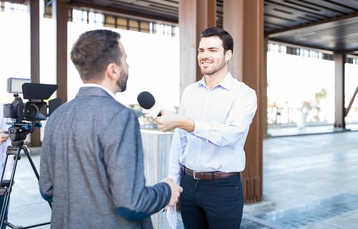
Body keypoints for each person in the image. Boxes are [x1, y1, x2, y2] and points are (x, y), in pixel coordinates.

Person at [39, 29, 182, 229]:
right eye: (125, 59)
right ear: (113, 70)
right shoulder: (120, 117)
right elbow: (132, 204)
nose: (128, 66)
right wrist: (167, 191)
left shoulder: (56, 117)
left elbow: (47, 189)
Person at [154, 27, 257, 229]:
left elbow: (230, 135)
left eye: (212, 50)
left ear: (228, 55)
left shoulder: (244, 94)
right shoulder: (190, 92)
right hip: (188, 185)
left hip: (223, 188)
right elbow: (179, 141)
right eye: (201, 50)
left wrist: (185, 122)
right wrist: (172, 181)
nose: (204, 56)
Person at [0, 102, 14, 228]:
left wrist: (7, 178)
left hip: (1, 181)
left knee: (1, 222)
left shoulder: (1, 108)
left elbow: (8, 146)